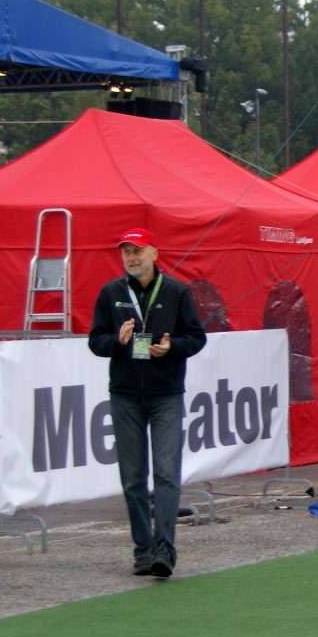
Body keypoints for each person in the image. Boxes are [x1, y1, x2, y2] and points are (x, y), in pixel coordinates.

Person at [88, 227, 208, 579]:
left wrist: (172, 348)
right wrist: (117, 340)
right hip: (125, 394)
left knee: (167, 473)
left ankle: (164, 549)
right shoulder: (111, 292)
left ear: (154, 253)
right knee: (133, 477)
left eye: (138, 250)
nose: (132, 257)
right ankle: (143, 550)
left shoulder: (175, 291)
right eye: (126, 251)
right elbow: (95, 341)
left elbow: (196, 337)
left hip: (166, 394)